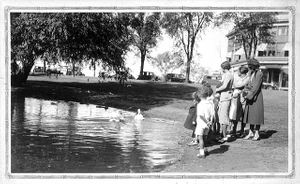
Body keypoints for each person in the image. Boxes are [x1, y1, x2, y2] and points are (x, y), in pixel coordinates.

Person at [242, 58, 264, 141]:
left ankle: (257, 133)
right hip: (250, 95)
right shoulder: (252, 73)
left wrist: (248, 95)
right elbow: (249, 85)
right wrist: (245, 92)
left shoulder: (259, 73)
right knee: (250, 115)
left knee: (256, 115)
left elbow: (256, 87)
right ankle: (250, 132)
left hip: (256, 97)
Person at [229, 66, 250, 137]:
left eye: (238, 71)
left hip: (243, 98)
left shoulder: (247, 78)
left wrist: (234, 85)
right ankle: (234, 130)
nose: (237, 72)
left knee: (243, 114)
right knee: (236, 113)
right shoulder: (239, 77)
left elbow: (238, 85)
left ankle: (242, 130)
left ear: (242, 72)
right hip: (236, 97)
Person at [215, 61, 234, 142]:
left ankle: (224, 136)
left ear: (224, 68)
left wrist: (217, 89)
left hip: (226, 97)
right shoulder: (226, 74)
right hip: (223, 97)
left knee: (224, 117)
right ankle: (221, 134)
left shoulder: (229, 74)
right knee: (221, 116)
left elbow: (225, 86)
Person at [194, 85, 214, 158]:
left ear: (199, 95)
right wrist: (210, 122)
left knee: (200, 138)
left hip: (202, 123)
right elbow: (212, 114)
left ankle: (201, 152)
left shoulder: (200, 104)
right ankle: (206, 149)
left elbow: (201, 115)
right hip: (208, 124)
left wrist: (206, 122)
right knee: (205, 137)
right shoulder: (210, 104)